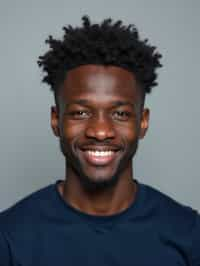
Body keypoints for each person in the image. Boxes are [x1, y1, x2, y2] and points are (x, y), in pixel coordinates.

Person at [0, 16, 199, 266]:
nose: (101, 131)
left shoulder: (188, 233)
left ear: (143, 122)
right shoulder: (9, 237)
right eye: (81, 113)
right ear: (56, 120)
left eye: (120, 114)